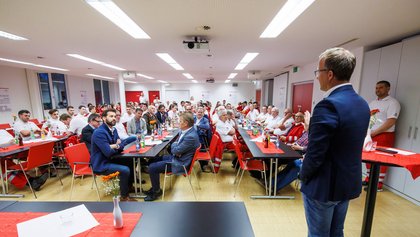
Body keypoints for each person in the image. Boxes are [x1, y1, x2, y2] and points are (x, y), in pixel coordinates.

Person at [299, 48, 370, 237]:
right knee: (337, 231)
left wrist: (303, 175)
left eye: (318, 72)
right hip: (346, 182)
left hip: (324, 186)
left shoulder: (327, 105)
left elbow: (316, 152)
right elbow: (343, 139)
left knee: (318, 234)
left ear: (329, 74)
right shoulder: (362, 104)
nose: (317, 77)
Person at [144, 112, 200, 201]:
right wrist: (176, 145)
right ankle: (155, 187)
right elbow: (176, 147)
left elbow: (174, 150)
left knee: (152, 167)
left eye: (180, 121)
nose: (178, 122)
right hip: (178, 157)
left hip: (180, 163)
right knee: (153, 159)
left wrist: (174, 144)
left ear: (185, 123)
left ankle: (156, 191)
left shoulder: (190, 136)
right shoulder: (188, 131)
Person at [90, 109, 136, 201]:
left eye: (115, 116)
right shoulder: (99, 132)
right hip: (101, 163)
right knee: (125, 170)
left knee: (130, 161)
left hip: (111, 158)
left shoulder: (113, 130)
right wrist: (117, 145)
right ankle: (124, 196)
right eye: (111, 116)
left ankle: (127, 187)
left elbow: (120, 146)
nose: (114, 118)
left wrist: (116, 146)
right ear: (103, 118)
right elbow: (108, 152)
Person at [363, 80, 401, 191]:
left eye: (381, 87)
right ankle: (368, 179)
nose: (377, 90)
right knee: (368, 157)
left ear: (388, 89)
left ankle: (377, 184)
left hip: (384, 134)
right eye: (376, 88)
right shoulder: (373, 103)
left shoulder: (393, 103)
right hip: (371, 134)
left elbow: (391, 122)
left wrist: (375, 132)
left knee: (381, 159)